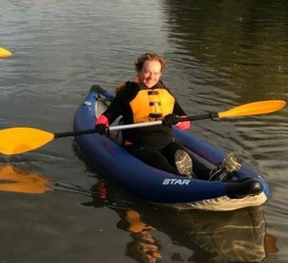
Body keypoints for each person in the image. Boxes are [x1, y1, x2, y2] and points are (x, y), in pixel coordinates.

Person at [96, 53, 240, 180]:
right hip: (138, 144)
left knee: (186, 157)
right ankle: (181, 177)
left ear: (160, 75)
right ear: (139, 71)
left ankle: (213, 174)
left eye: (155, 73)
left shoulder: (165, 93)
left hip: (166, 141)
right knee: (158, 160)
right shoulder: (127, 94)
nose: (151, 77)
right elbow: (108, 115)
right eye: (147, 72)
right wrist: (101, 124)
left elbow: (185, 122)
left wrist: (175, 121)